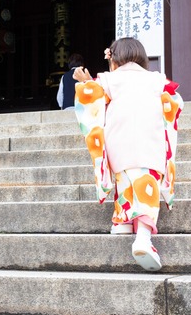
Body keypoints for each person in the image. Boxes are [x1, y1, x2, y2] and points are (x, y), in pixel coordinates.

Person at [73, 37, 182, 271]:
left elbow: (92, 96)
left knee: (126, 183)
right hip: (149, 143)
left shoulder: (108, 79)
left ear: (115, 58)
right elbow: (175, 101)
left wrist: (85, 83)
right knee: (146, 187)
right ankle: (143, 238)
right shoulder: (156, 79)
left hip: (118, 143)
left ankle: (122, 222)